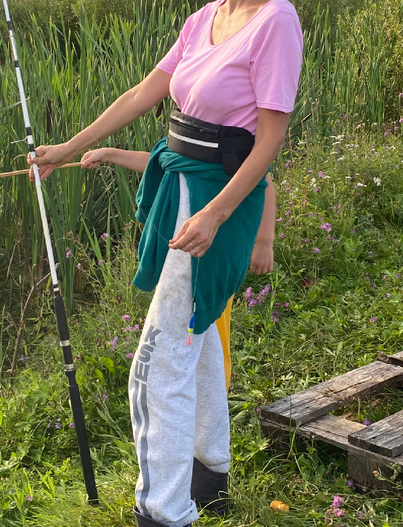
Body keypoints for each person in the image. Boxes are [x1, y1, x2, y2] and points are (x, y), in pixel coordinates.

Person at [31, 0, 302, 527]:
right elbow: (142, 97)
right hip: (180, 187)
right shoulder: (205, 17)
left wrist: (216, 217)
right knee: (200, 338)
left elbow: (269, 141)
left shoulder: (277, 23)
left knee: (158, 362)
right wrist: (69, 146)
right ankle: (208, 475)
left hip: (214, 202)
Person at [81, 145, 278, 391]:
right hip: (181, 253)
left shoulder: (236, 139)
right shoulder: (191, 134)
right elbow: (165, 164)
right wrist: (110, 154)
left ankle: (215, 391)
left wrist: (264, 242)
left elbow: (264, 179)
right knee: (183, 331)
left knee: (211, 329)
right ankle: (185, 393)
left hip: (215, 255)